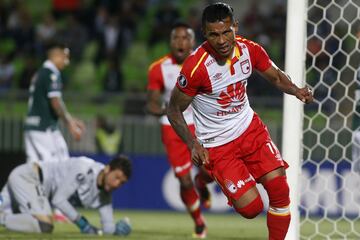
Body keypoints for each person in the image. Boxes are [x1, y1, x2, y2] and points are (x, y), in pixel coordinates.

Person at [167, 3, 314, 240]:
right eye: (214, 34)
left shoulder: (250, 50)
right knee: (251, 209)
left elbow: (275, 76)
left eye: (226, 31)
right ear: (205, 34)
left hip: (249, 130)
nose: (222, 40)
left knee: (279, 190)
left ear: (235, 26)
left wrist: (296, 90)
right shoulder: (196, 68)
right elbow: (173, 109)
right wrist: (193, 143)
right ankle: (203, 177)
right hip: (217, 145)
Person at [147, 22, 213, 239]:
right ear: (170, 42)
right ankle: (199, 222)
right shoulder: (158, 68)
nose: (180, 42)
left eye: (185, 38)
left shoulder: (204, 62)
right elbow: (153, 103)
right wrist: (166, 110)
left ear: (192, 41)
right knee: (183, 180)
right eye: (176, 38)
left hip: (203, 125)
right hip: (173, 129)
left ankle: (202, 182)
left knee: (210, 172)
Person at [0, 155, 132, 236]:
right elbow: (58, 200)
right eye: (116, 178)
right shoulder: (85, 169)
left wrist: (117, 231)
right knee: (44, 225)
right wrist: (82, 224)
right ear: (107, 169)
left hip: (32, 186)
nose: (117, 184)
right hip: (30, 177)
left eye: (122, 182)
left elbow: (107, 229)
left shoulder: (105, 195)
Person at [24, 42, 85, 164]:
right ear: (56, 55)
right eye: (65, 57)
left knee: (33, 171)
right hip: (44, 128)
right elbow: (55, 102)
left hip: (31, 127)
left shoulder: (39, 73)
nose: (66, 62)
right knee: (58, 167)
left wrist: (70, 119)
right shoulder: (52, 73)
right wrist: (70, 124)